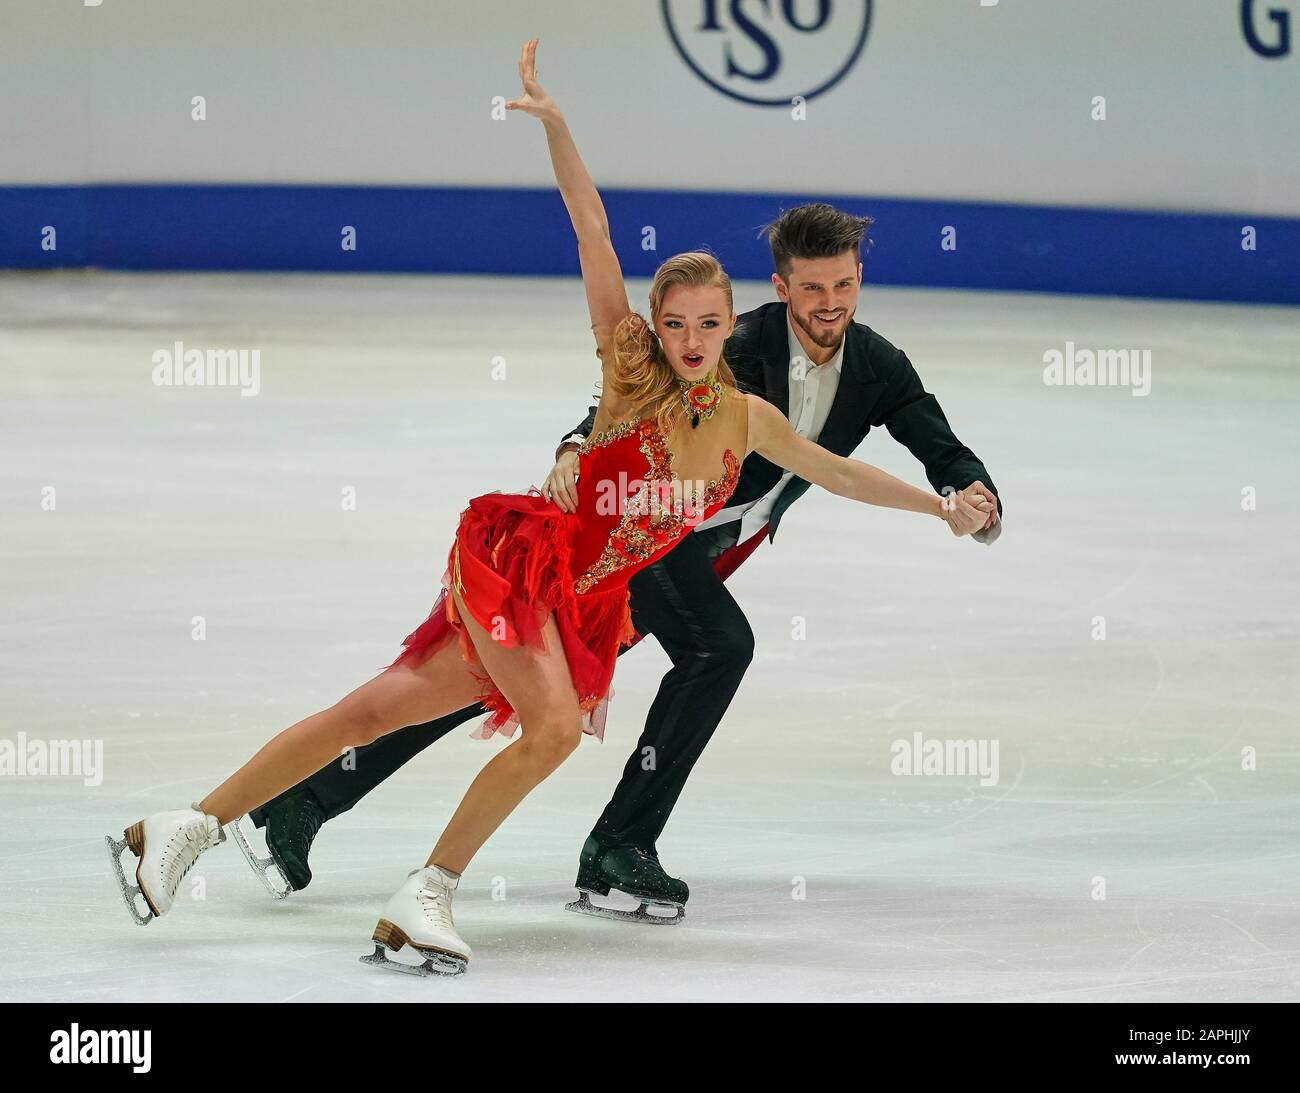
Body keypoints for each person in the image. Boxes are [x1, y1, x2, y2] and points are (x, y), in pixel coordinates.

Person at [107, 40, 994, 975]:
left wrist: (941, 511)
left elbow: (842, 472)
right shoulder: (633, 369)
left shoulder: (748, 417)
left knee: (376, 710)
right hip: (527, 562)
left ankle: (179, 828)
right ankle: (425, 895)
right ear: (661, 325)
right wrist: (560, 129)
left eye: (707, 323)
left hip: (582, 604)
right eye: (677, 322)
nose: (691, 339)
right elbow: (592, 231)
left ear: (732, 326)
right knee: (552, 727)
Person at [240, 207, 1004, 928]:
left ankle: (304, 801)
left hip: (703, 550)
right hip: (643, 539)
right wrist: (576, 446)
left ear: (859, 279)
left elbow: (930, 439)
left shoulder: (876, 364)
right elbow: (630, 397)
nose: (829, 301)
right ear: (782, 288)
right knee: (708, 650)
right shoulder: (728, 340)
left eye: (843, 284)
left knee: (506, 684)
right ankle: (614, 846)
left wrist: (968, 495)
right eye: (812, 287)